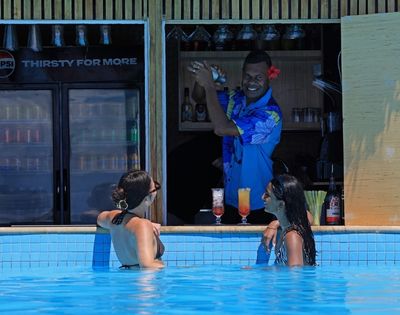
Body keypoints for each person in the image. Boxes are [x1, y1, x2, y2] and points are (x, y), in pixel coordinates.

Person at [188, 50, 282, 224]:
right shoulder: (236, 99)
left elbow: (222, 128)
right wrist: (206, 79)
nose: (251, 82)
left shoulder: (270, 114)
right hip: (231, 199)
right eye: (247, 76)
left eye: (258, 77)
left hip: (259, 203)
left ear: (270, 78)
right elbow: (199, 97)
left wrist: (209, 85)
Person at [97, 170, 165, 269]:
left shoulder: (115, 218)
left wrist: (146, 223)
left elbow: (100, 218)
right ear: (146, 198)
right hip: (143, 282)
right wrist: (164, 266)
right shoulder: (142, 226)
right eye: (155, 188)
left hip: (125, 278)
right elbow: (147, 266)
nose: (156, 190)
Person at [262, 174, 316, 266]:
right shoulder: (289, 228)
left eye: (267, 194)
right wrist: (276, 223)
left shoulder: (292, 236)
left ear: (281, 204)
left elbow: (294, 278)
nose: (263, 197)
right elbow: (307, 216)